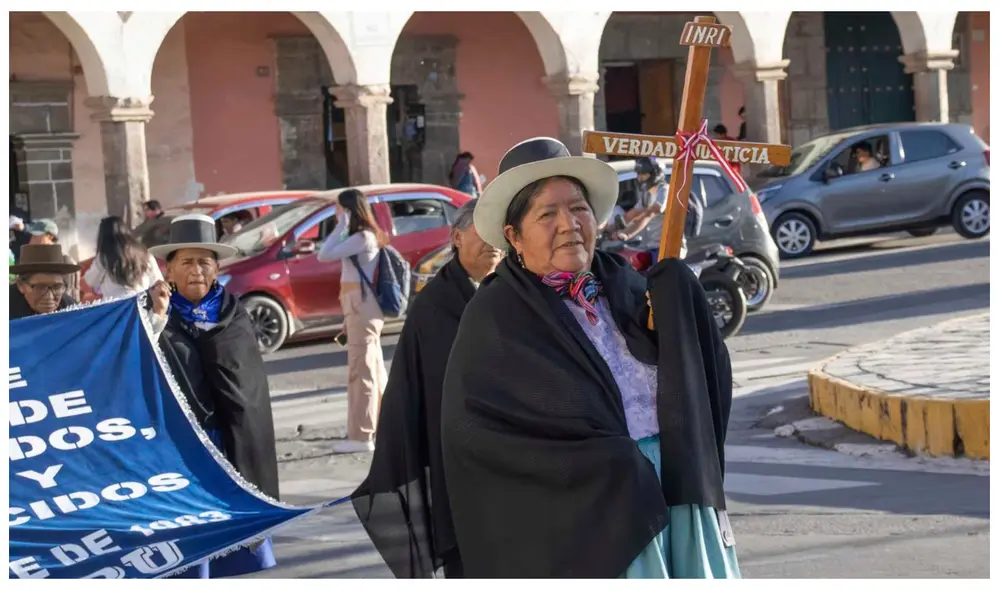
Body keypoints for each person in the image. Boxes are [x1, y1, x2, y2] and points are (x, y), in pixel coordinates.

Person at [440, 137, 739, 578]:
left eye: (578, 208)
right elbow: (478, 435)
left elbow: (691, 375)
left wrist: (680, 305)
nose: (569, 224)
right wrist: (607, 464)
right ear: (514, 236)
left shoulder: (625, 284)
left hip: (677, 488)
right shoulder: (496, 317)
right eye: (547, 214)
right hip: (595, 513)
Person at [351, 199, 503, 579]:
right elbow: (423, 391)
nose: (493, 243)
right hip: (460, 465)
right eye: (482, 232)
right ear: (456, 238)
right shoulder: (434, 306)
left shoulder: (514, 291)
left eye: (498, 232)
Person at [145, 213, 280, 578]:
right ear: (168, 270)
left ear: (217, 267)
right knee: (192, 551)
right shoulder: (150, 313)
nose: (197, 271)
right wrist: (156, 321)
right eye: (186, 262)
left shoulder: (234, 315)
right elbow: (136, 366)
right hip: (180, 451)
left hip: (229, 445)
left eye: (205, 262)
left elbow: (246, 390)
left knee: (230, 549)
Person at [317, 189, 391, 453]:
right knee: (373, 369)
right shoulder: (360, 236)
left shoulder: (362, 237)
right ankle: (384, 425)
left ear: (349, 210)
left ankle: (361, 437)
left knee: (362, 372)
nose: (336, 213)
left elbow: (324, 254)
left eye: (339, 209)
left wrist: (341, 226)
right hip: (361, 308)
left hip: (363, 309)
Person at [84, 216, 163, 298]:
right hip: (142, 304)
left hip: (117, 307)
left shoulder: (104, 257)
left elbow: (90, 280)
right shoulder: (144, 254)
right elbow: (157, 281)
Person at [10, 243, 79, 319]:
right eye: (40, 287)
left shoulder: (71, 311)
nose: (49, 296)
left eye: (57, 287)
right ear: (21, 286)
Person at [26, 219, 79, 301]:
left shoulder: (66, 261)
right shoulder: (32, 261)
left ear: (50, 236)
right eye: (32, 236)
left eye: (36, 236)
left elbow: (69, 292)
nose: (32, 241)